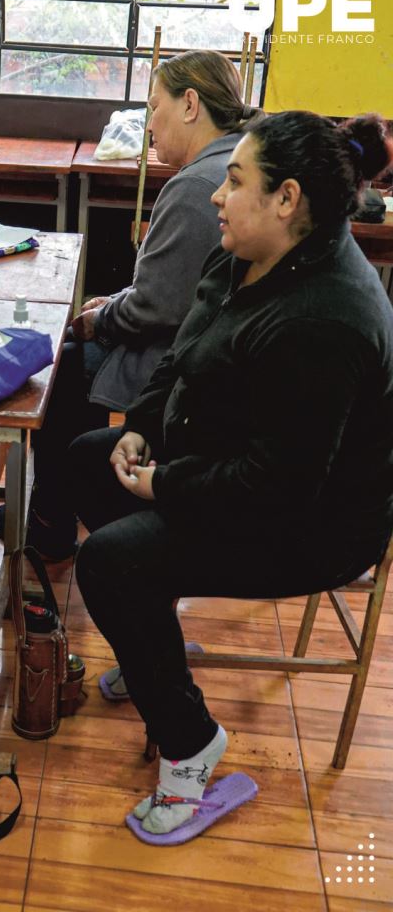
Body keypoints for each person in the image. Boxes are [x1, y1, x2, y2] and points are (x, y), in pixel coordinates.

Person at [70, 110, 393, 841]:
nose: (218, 194)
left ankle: (190, 746)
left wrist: (165, 485)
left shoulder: (330, 317)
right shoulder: (244, 252)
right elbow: (180, 359)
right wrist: (142, 430)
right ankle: (148, 640)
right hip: (230, 464)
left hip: (312, 525)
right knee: (90, 459)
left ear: (286, 199)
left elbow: (278, 487)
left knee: (112, 563)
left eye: (236, 180)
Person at [0, 50, 260, 560]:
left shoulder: (198, 186)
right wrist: (116, 303)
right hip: (205, 341)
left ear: (190, 105)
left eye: (153, 107)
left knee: (69, 362)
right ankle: (53, 509)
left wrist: (102, 320)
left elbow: (158, 307)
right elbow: (173, 289)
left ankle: (50, 521)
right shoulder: (226, 164)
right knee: (78, 345)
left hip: (192, 362)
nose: (148, 125)